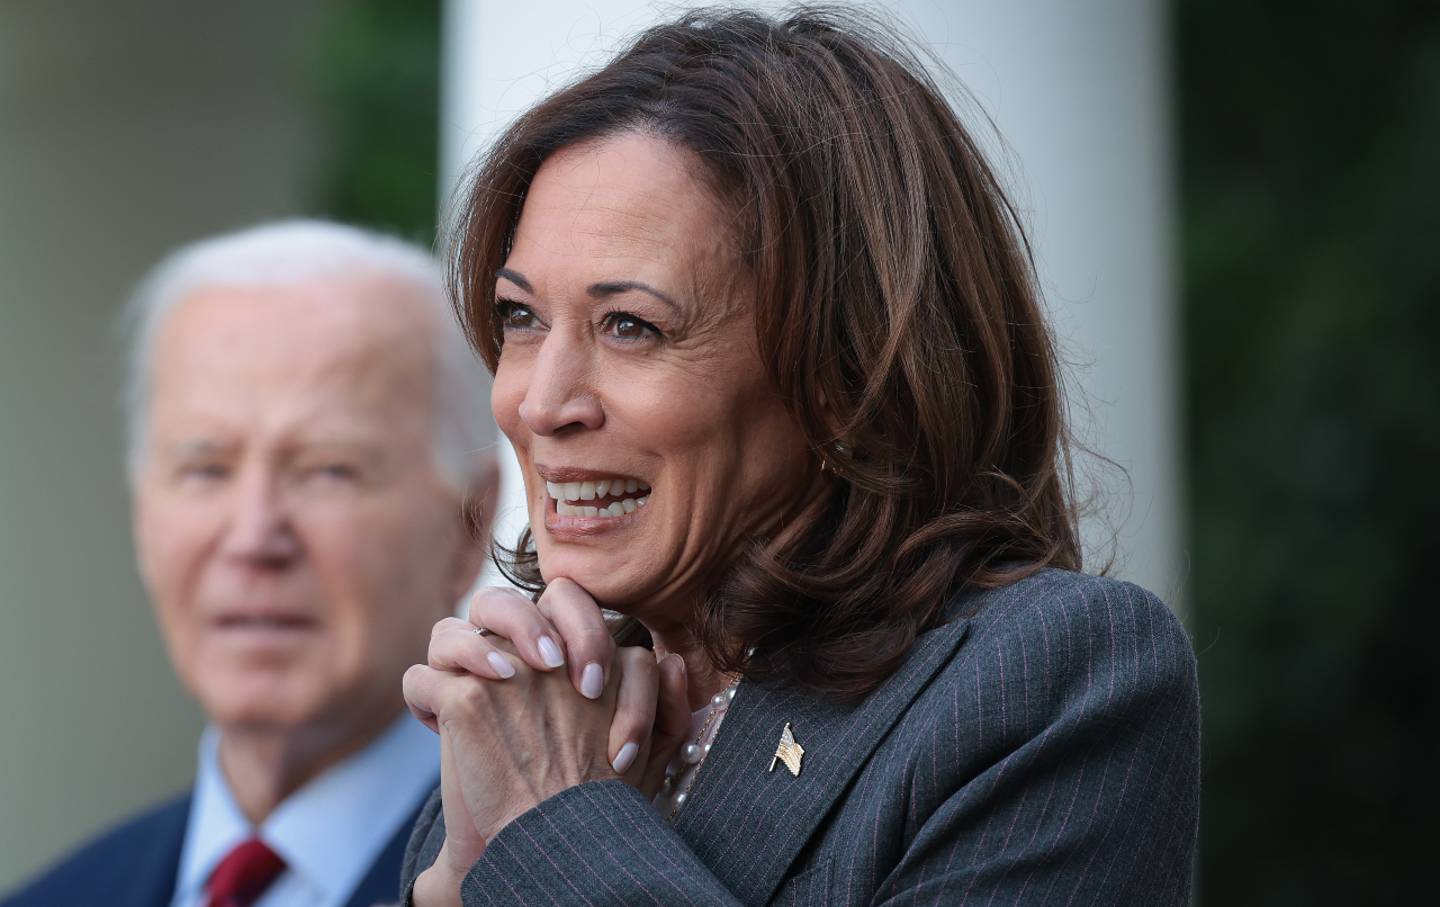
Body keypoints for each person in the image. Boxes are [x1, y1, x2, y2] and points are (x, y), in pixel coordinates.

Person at [399, 7, 1201, 907]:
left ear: (845, 373)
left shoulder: (1049, 679)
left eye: (631, 326)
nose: (541, 402)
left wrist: (555, 823)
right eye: (521, 318)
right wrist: (454, 889)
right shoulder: (536, 717)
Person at [3, 221, 499, 907]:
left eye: (328, 469)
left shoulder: (536, 884)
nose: (253, 535)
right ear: (141, 509)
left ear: (468, 520)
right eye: (205, 468)